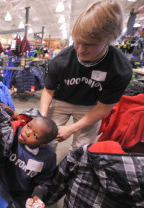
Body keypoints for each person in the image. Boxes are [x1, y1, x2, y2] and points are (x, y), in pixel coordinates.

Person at [40, 0, 132, 151]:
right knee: (46, 139)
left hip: (92, 106)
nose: (80, 50)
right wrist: (42, 116)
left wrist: (71, 129)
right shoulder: (61, 60)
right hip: (61, 99)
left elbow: (103, 108)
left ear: (109, 41)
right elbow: (48, 90)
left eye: (90, 44)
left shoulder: (120, 69)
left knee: (82, 148)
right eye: (77, 42)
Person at [0, 111, 58, 208]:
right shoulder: (12, 134)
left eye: (35, 135)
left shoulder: (48, 157)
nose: (27, 132)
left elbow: (44, 180)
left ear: (42, 144)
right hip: (4, 185)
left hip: (25, 194)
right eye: (29, 126)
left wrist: (37, 196)